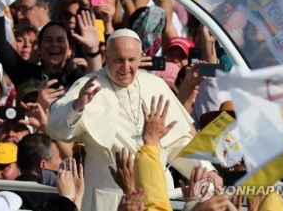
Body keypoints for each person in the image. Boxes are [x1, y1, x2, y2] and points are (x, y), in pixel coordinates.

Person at [47, 29, 222, 211]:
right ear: (107, 56)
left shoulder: (155, 85)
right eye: (118, 60)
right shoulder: (89, 85)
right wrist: (78, 106)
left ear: (140, 58)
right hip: (106, 196)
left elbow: (179, 142)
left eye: (131, 60)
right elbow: (55, 128)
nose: (125, 67)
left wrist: (206, 170)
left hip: (155, 192)